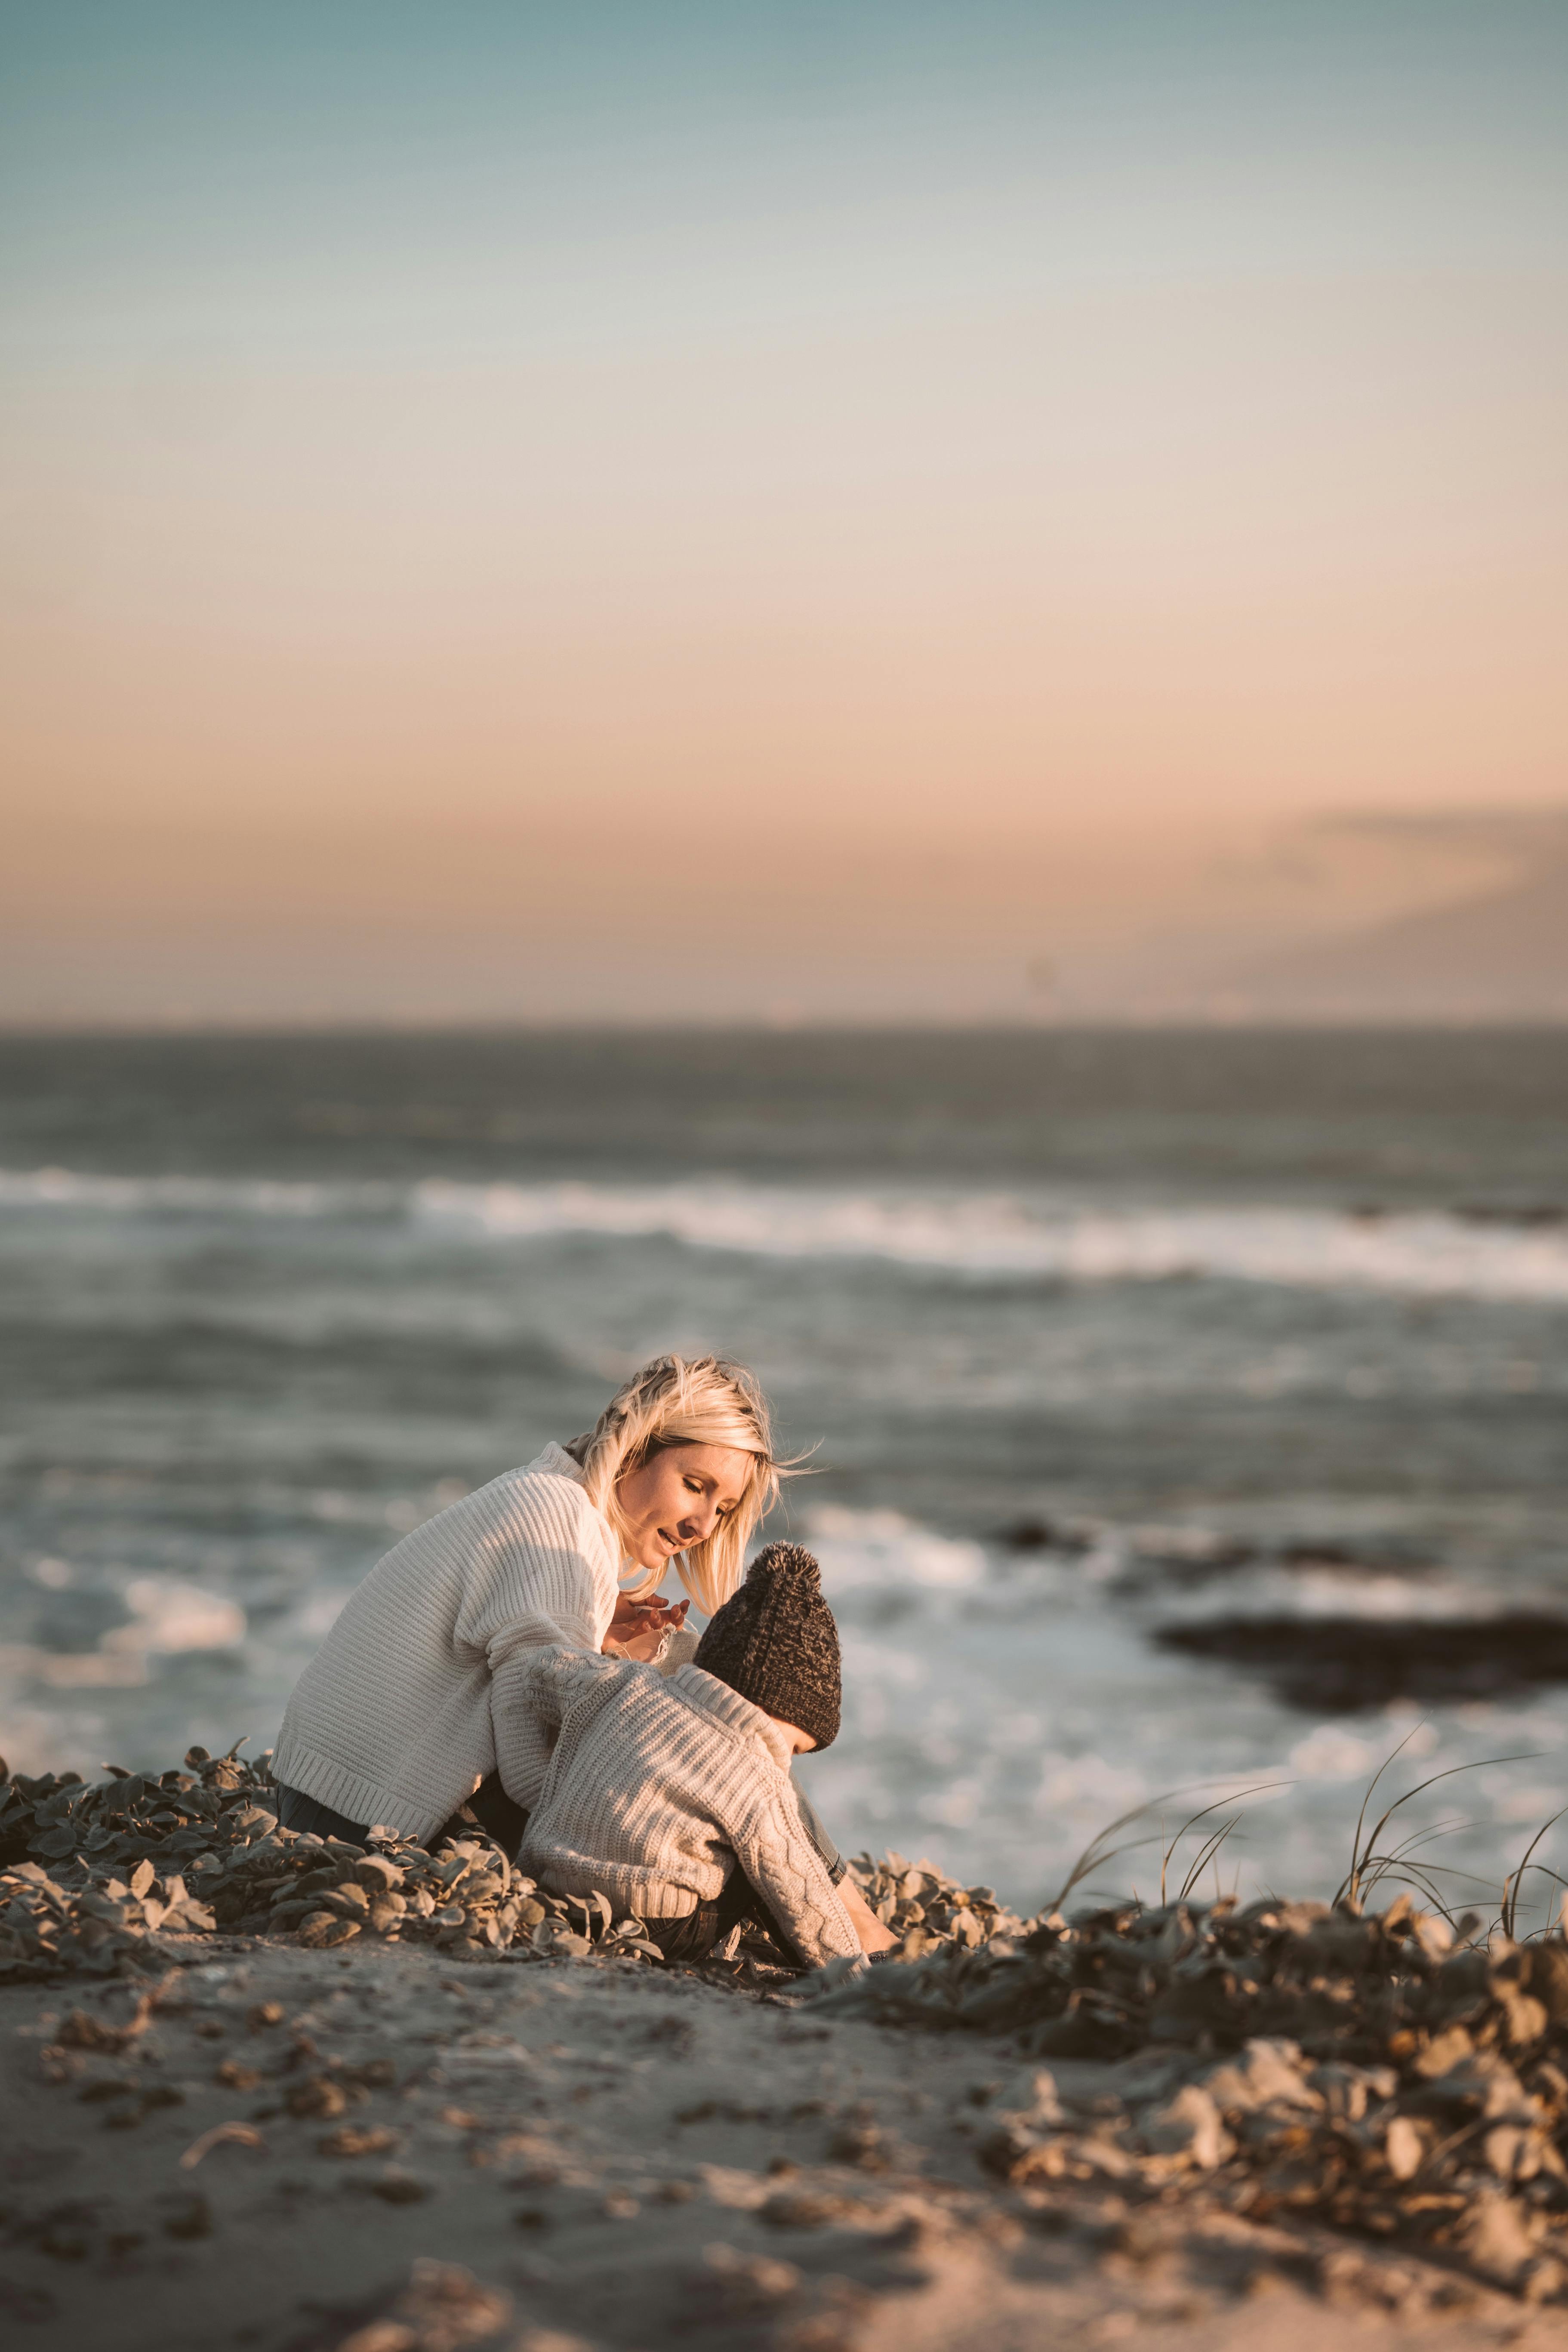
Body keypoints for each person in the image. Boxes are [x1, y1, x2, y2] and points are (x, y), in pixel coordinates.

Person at [270, 1355, 785, 1853]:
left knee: (683, 1692)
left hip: (333, 1795)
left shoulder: (546, 1495)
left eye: (723, 1509)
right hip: (357, 1821)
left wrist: (602, 1647)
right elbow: (530, 1757)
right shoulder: (558, 1516)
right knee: (693, 1738)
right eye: (694, 1485)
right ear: (634, 1449)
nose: (703, 1526)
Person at [516, 1542, 897, 1968]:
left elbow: (541, 1669)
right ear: (768, 1707)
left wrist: (606, 1638)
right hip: (654, 1929)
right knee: (772, 1868)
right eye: (792, 1747)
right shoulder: (755, 1773)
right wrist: (858, 1980)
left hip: (550, 1893)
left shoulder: (625, 1684)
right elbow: (806, 1897)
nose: (785, 1763)